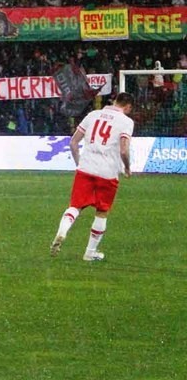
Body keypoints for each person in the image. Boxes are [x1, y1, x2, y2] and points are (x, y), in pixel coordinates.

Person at [50, 93, 134, 262]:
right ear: (128, 107)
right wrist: (127, 167)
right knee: (102, 212)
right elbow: (124, 150)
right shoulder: (126, 122)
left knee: (75, 206)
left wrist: (79, 163)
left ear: (114, 101)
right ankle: (90, 252)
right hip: (107, 172)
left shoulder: (93, 115)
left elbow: (73, 143)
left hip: (86, 168)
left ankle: (62, 231)